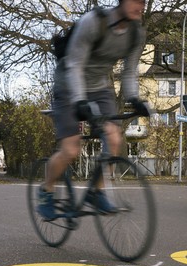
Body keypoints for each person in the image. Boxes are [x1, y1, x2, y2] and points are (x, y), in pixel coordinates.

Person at [38, 0, 151, 220]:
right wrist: (79, 100)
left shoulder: (136, 34)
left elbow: (129, 72)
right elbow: (74, 64)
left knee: (114, 138)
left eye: (144, 2)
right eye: (136, 0)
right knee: (71, 149)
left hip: (100, 88)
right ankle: (46, 191)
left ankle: (96, 192)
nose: (141, 6)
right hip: (69, 85)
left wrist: (134, 98)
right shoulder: (93, 22)